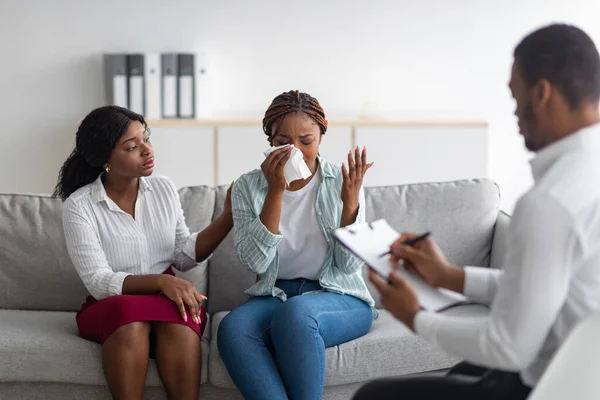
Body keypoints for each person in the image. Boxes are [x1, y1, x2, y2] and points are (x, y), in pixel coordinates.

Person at [354, 23, 600, 400]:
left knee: (373, 396)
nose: (515, 113)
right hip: (582, 378)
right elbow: (538, 287)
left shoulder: (549, 203)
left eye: (516, 97)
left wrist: (415, 317)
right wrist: (450, 276)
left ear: (542, 93)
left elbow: (509, 346)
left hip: (546, 386)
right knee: (460, 373)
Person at [54, 105, 233, 400]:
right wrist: (162, 282)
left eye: (145, 138)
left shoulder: (163, 188)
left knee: (181, 317)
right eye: (132, 146)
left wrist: (228, 216)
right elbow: (99, 282)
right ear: (105, 159)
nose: (147, 150)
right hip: (113, 303)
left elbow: (183, 255)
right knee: (130, 319)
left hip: (166, 299)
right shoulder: (80, 206)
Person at [217, 90, 376, 400]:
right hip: (277, 295)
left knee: (297, 315)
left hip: (340, 296)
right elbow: (256, 265)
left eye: (307, 141)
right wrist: (276, 192)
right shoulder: (248, 187)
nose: (297, 152)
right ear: (271, 142)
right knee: (233, 329)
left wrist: (350, 207)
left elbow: (349, 267)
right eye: (283, 143)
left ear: (320, 137)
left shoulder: (342, 182)